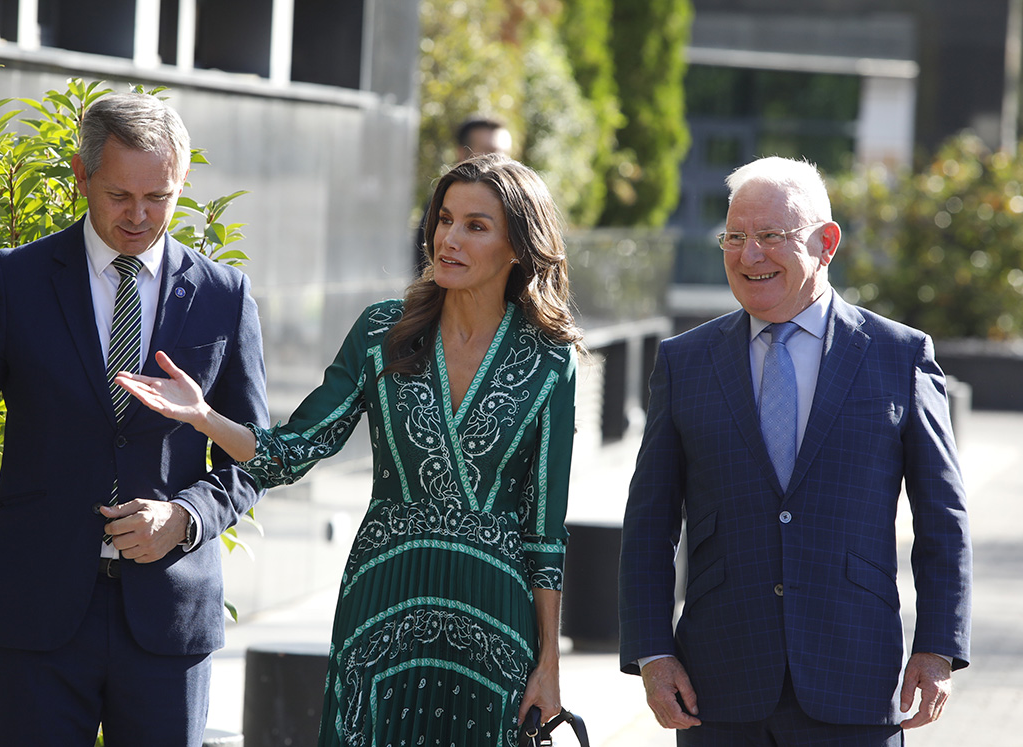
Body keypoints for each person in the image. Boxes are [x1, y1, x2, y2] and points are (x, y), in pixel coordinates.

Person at [0, 92, 268, 746]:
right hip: (36, 617)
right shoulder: (16, 280)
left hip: (169, 617)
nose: (141, 217)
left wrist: (184, 518)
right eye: (120, 195)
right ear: (81, 175)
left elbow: (253, 457)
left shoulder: (225, 297)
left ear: (183, 183)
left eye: (161, 197)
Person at [118, 153, 582, 746]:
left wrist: (549, 666)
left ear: (517, 246)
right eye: (444, 219)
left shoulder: (549, 360)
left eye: (475, 226)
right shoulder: (383, 332)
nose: (449, 238)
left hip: (494, 613)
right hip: (384, 597)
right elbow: (293, 449)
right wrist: (204, 416)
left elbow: (546, 532)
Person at [618, 156, 972, 746]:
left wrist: (937, 647)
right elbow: (650, 523)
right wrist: (653, 653)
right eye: (735, 236)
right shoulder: (686, 362)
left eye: (771, 236)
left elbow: (943, 517)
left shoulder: (898, 355)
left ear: (826, 242)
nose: (749, 254)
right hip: (718, 685)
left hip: (854, 676)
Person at [413, 117, 514, 275]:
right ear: (462, 153)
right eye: (446, 220)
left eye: (505, 154)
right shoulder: (439, 201)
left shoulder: (517, 205)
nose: (500, 161)